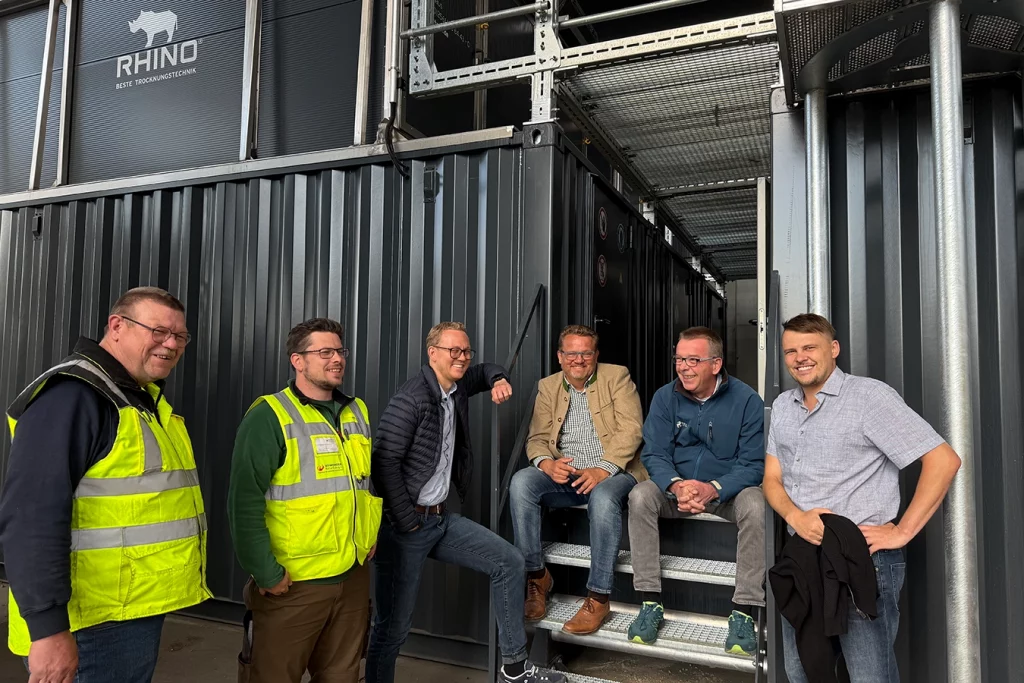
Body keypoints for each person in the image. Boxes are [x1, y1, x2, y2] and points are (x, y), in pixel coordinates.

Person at [0, 287, 210, 683]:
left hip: (127, 612)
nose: (171, 345)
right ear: (117, 326)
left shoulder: (137, 400)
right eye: (159, 331)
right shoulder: (74, 396)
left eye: (180, 337)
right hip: (90, 626)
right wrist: (48, 630)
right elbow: (31, 519)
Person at [764, 313, 961, 683]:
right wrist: (794, 516)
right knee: (803, 670)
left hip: (863, 561)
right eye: (790, 350)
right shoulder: (783, 408)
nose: (799, 357)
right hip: (804, 558)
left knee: (870, 676)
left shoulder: (869, 398)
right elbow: (772, 479)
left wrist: (901, 531)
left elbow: (943, 460)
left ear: (834, 349)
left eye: (810, 347)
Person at [366, 322, 565, 683]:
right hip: (404, 525)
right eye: (453, 351)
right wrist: (406, 521)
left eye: (465, 351)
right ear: (433, 354)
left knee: (509, 561)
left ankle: (515, 669)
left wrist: (499, 378)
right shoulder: (412, 399)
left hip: (440, 520)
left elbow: (485, 370)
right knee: (392, 627)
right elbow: (383, 463)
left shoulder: (455, 387)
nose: (461, 358)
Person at [228, 318, 381, 683]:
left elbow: (360, 484)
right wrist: (266, 572)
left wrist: (369, 533)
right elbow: (244, 502)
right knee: (274, 675)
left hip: (352, 577)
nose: (337, 359)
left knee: (342, 676)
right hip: (294, 585)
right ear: (297, 360)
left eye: (340, 351)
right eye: (324, 352)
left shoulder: (356, 410)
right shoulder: (269, 416)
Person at [626, 327, 766, 655]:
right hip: (678, 489)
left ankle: (743, 611)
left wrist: (713, 488)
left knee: (757, 504)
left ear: (715, 364)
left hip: (726, 493)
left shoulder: (747, 400)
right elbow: (654, 453)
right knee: (640, 495)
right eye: (679, 359)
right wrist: (676, 484)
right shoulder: (665, 397)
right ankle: (650, 602)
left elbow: (753, 464)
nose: (684, 367)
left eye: (693, 359)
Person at [510, 324, 645, 634]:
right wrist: (546, 464)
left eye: (586, 353)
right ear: (560, 356)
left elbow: (632, 429)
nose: (579, 359)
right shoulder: (548, 386)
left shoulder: (617, 377)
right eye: (572, 353)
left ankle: (598, 596)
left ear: (595, 355)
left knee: (603, 496)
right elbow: (538, 439)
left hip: (616, 472)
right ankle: (536, 576)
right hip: (568, 476)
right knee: (522, 483)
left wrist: (603, 468)